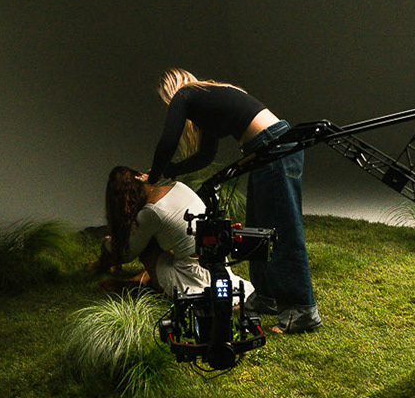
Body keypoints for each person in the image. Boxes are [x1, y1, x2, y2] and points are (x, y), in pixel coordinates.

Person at [146, 69, 320, 333]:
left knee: (284, 229)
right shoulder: (206, 101)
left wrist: (153, 176)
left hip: (274, 146)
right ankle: (266, 297)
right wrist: (170, 172)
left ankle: (304, 310)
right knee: (259, 228)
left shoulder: (185, 95)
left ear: (169, 91)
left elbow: (168, 141)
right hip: (266, 149)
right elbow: (205, 156)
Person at [97, 165, 254, 304]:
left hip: (190, 274)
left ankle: (140, 283)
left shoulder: (150, 212)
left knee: (147, 247)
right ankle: (139, 280)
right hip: (214, 259)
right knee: (165, 239)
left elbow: (127, 253)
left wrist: (107, 243)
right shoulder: (177, 186)